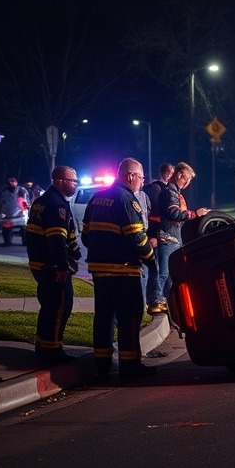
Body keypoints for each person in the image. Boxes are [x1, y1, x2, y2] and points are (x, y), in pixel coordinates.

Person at [82, 158, 158, 380]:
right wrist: (151, 259)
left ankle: (103, 365)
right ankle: (130, 366)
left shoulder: (96, 198)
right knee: (130, 318)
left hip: (99, 271)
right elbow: (136, 237)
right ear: (131, 176)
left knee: (103, 318)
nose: (142, 183)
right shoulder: (127, 200)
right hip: (124, 271)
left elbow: (86, 235)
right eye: (141, 178)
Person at [25, 166, 82, 363]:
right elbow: (56, 239)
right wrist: (62, 267)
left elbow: (66, 234)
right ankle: (53, 349)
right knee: (61, 306)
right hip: (51, 266)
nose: (75, 184)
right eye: (72, 181)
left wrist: (74, 249)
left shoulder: (41, 202)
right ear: (60, 181)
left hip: (38, 263)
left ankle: (42, 344)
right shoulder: (55, 204)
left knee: (48, 305)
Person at [148, 162, 207, 315]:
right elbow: (173, 213)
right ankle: (155, 300)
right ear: (180, 175)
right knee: (163, 272)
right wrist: (194, 214)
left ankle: (165, 299)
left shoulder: (174, 191)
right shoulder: (170, 192)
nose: (188, 183)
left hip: (173, 236)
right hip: (167, 237)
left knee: (170, 274)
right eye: (187, 179)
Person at [142, 162, 174, 314]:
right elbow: (155, 215)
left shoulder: (159, 188)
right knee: (157, 269)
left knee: (164, 270)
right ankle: (154, 299)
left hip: (159, 233)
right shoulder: (157, 189)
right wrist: (155, 235)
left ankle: (163, 298)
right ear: (165, 173)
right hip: (156, 234)